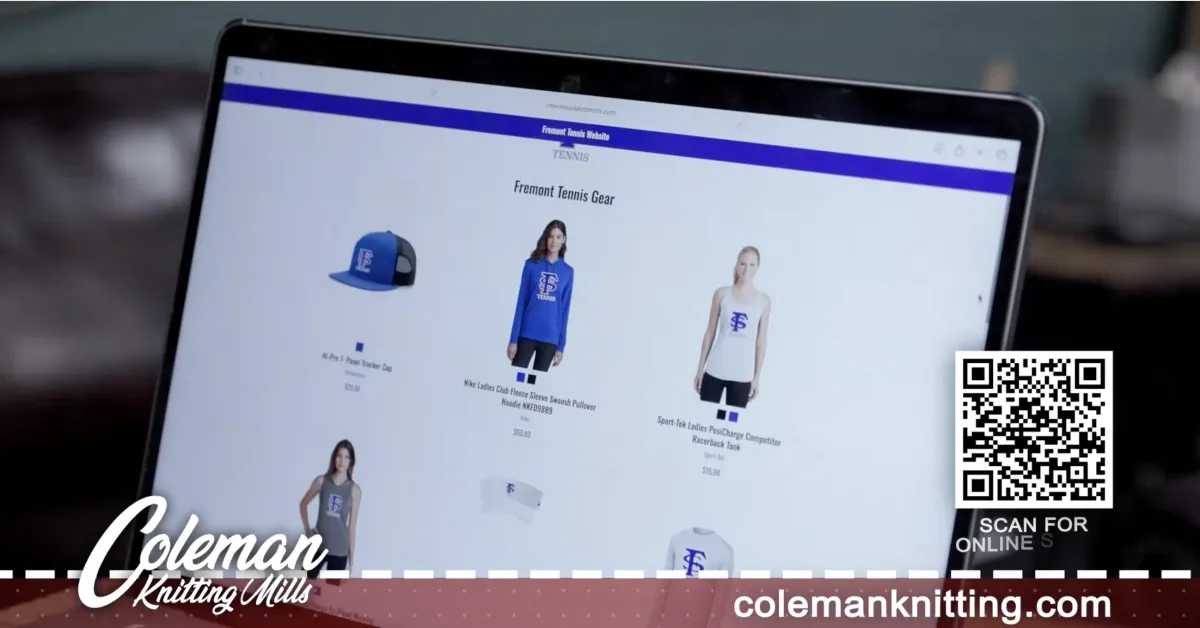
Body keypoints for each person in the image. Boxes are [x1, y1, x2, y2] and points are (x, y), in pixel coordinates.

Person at [694, 246, 772, 408]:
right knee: (704, 422)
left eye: (752, 264)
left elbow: (761, 341)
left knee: (733, 425)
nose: (746, 269)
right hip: (714, 371)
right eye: (743, 264)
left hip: (742, 376)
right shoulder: (722, 294)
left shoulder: (764, 301)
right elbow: (710, 332)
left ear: (758, 267)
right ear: (736, 265)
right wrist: (700, 369)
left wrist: (757, 377)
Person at [507, 220, 575, 372]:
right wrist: (513, 339)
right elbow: (521, 303)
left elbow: (564, 310)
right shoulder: (531, 265)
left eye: (558, 237)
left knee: (536, 387)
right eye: (551, 236)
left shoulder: (567, 272)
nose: (554, 241)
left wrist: (561, 346)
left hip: (550, 339)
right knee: (516, 381)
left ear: (563, 240)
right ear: (545, 238)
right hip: (526, 335)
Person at [300, 440, 362, 580]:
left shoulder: (354, 490)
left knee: (330, 596)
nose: (342, 461)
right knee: (300, 585)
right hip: (319, 547)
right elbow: (303, 504)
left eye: (346, 457)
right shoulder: (321, 481)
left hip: (339, 550)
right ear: (334, 458)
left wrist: (351, 562)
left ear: (351, 462)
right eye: (339, 456)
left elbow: (351, 527)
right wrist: (308, 530)